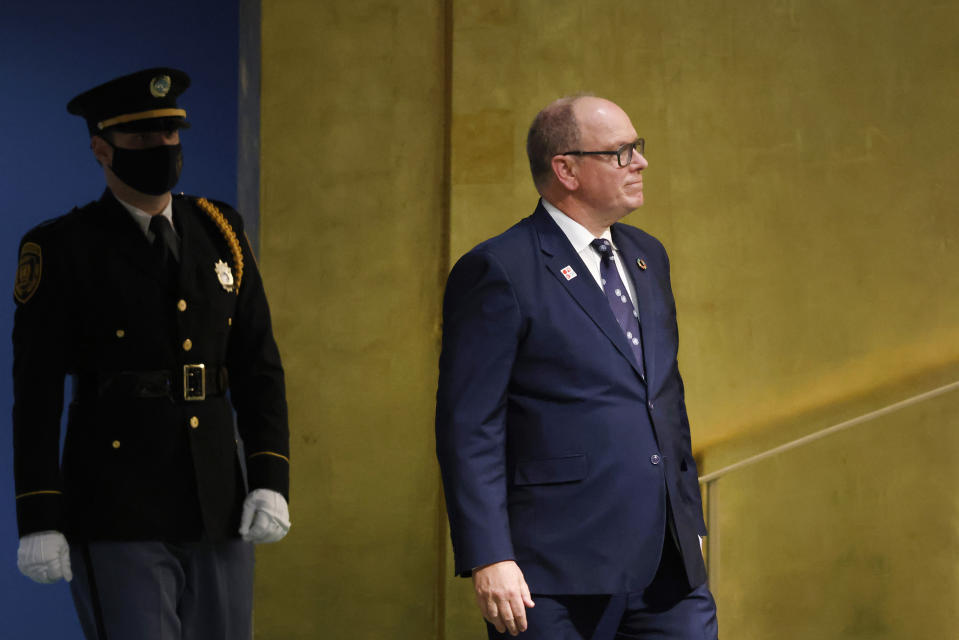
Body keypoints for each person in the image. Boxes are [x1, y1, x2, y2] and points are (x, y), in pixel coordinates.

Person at [12, 67, 291, 640]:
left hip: (216, 496)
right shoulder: (63, 247)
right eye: (141, 139)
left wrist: (269, 476)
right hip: (117, 502)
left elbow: (258, 365)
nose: (162, 149)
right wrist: (39, 514)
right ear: (101, 149)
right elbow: (35, 391)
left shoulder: (220, 229)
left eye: (170, 136)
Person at [435, 95, 718, 639]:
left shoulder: (647, 255)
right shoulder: (499, 269)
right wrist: (488, 554)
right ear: (565, 169)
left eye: (638, 148)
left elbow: (664, 394)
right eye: (621, 152)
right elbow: (468, 426)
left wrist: (690, 518)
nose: (640, 162)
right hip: (553, 573)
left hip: (669, 566)